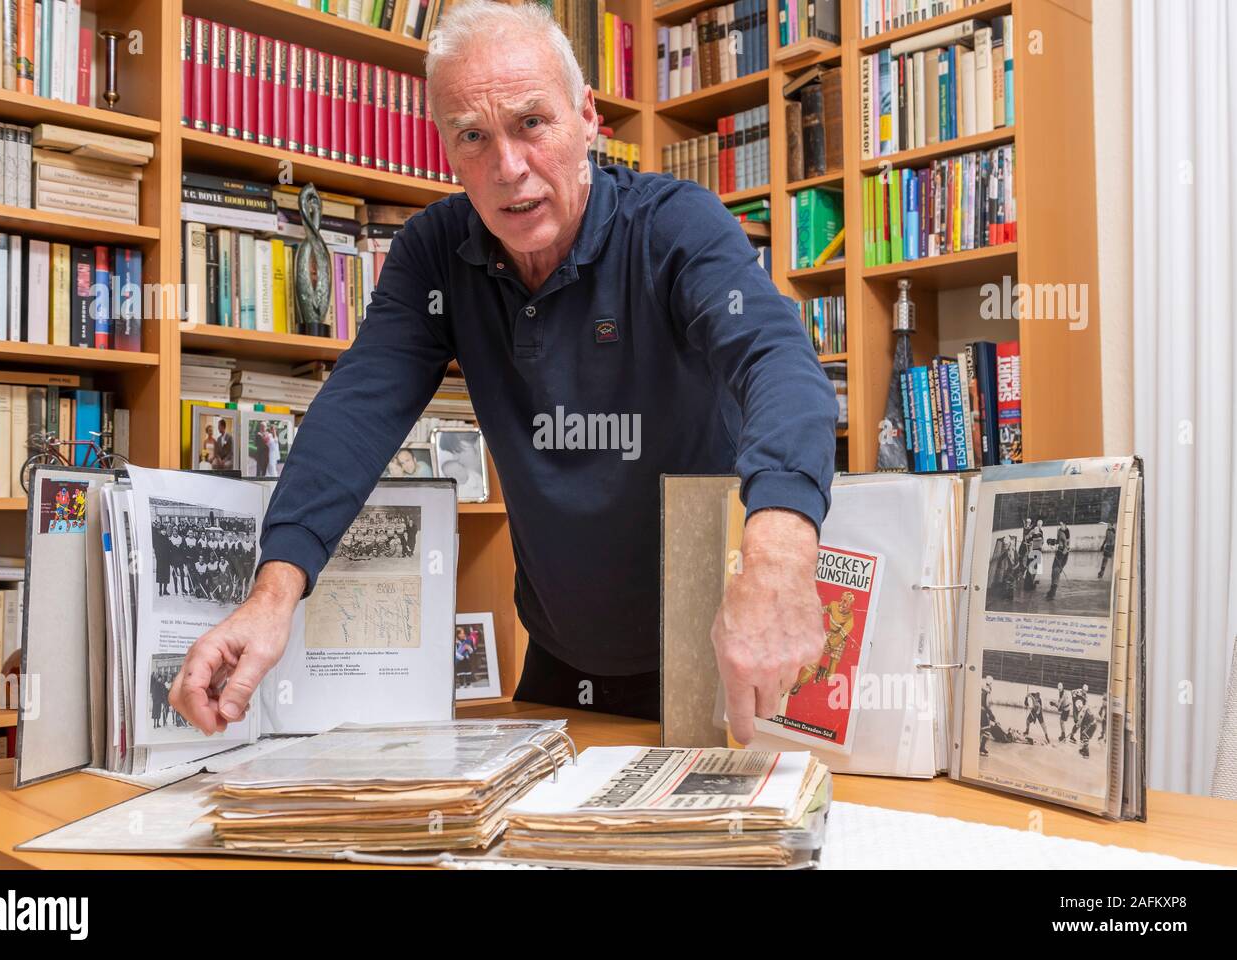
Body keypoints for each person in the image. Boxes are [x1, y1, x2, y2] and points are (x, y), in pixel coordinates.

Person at [170, 1, 836, 740]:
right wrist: (274, 591)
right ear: (447, 151)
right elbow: (358, 409)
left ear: (587, 118)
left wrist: (777, 560)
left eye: (531, 123)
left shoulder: (677, 226)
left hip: (721, 649)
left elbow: (780, 364)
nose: (508, 167)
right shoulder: (433, 251)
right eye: (473, 136)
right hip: (558, 663)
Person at [1045, 520, 1071, 600]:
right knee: (1056, 572)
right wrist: (1052, 541)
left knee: (1055, 571)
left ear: (1065, 525)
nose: (1060, 526)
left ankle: (1052, 593)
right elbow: (1059, 542)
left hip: (1062, 553)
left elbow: (1066, 547)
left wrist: (1062, 555)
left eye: (1062, 525)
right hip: (1061, 552)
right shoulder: (1062, 531)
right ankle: (1052, 591)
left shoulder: (1065, 533)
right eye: (1060, 525)